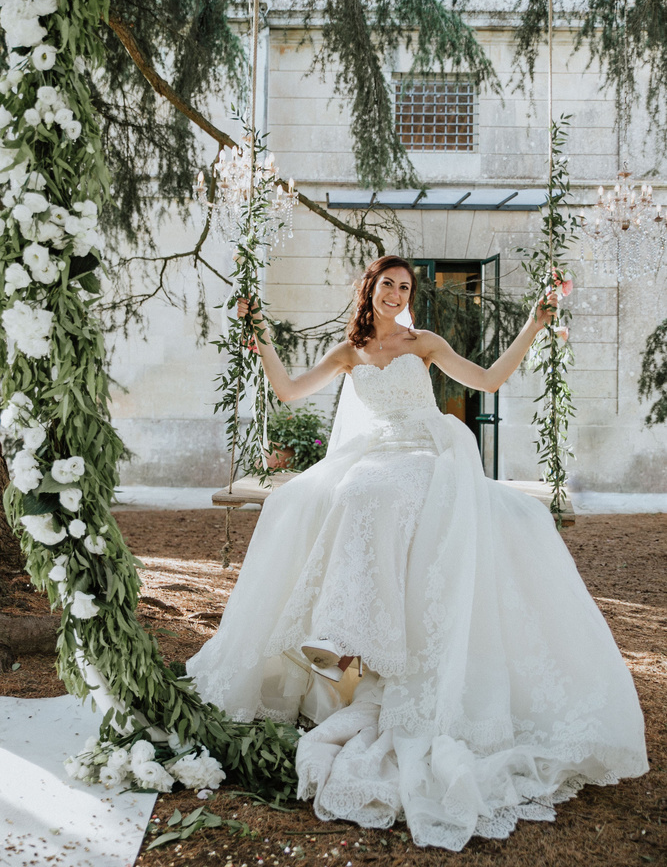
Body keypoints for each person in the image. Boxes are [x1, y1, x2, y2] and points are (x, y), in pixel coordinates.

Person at [187, 255, 648, 851]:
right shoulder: (350, 352)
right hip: (374, 456)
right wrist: (264, 341)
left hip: (426, 455)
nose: (396, 293)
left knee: (402, 496)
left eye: (404, 286)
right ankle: (347, 652)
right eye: (387, 284)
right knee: (348, 493)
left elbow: (486, 381)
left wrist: (533, 326)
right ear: (370, 290)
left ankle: (377, 651)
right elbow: (289, 390)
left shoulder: (423, 341)